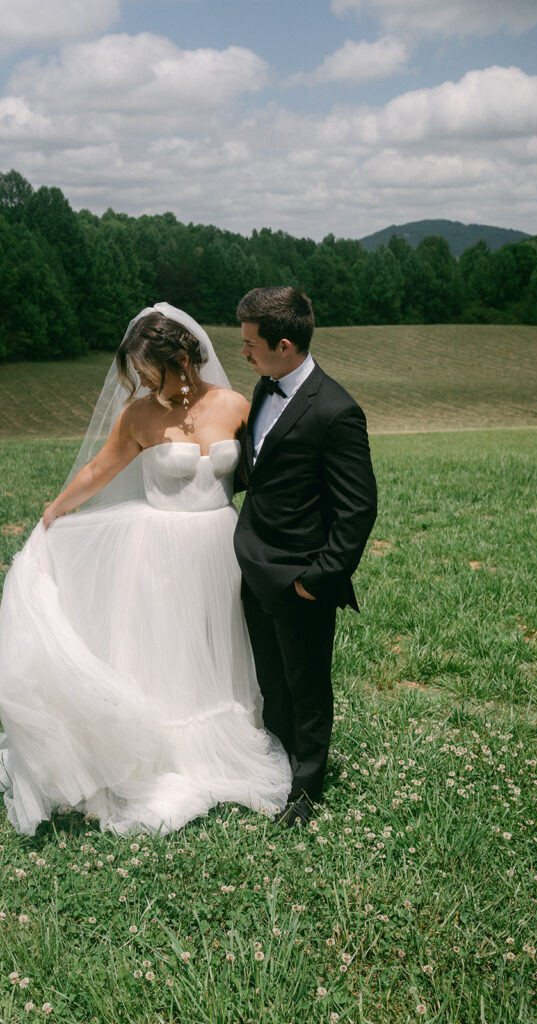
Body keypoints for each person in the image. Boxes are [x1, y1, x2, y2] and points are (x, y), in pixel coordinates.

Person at [0, 303, 291, 836]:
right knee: (167, 652)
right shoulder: (140, 415)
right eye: (139, 373)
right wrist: (55, 511)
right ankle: (165, 755)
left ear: (185, 359)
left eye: (152, 370)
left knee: (216, 645)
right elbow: (101, 468)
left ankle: (222, 743)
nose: (144, 381)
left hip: (218, 547)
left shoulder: (236, 404)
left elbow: (264, 476)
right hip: (160, 552)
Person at [233, 286, 377, 827]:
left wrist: (316, 581)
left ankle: (308, 789)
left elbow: (358, 510)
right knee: (272, 681)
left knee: (307, 685)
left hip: (300, 578)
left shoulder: (337, 411)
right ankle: (279, 767)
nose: (244, 353)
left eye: (250, 344)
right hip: (254, 570)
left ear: (284, 343)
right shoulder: (264, 388)